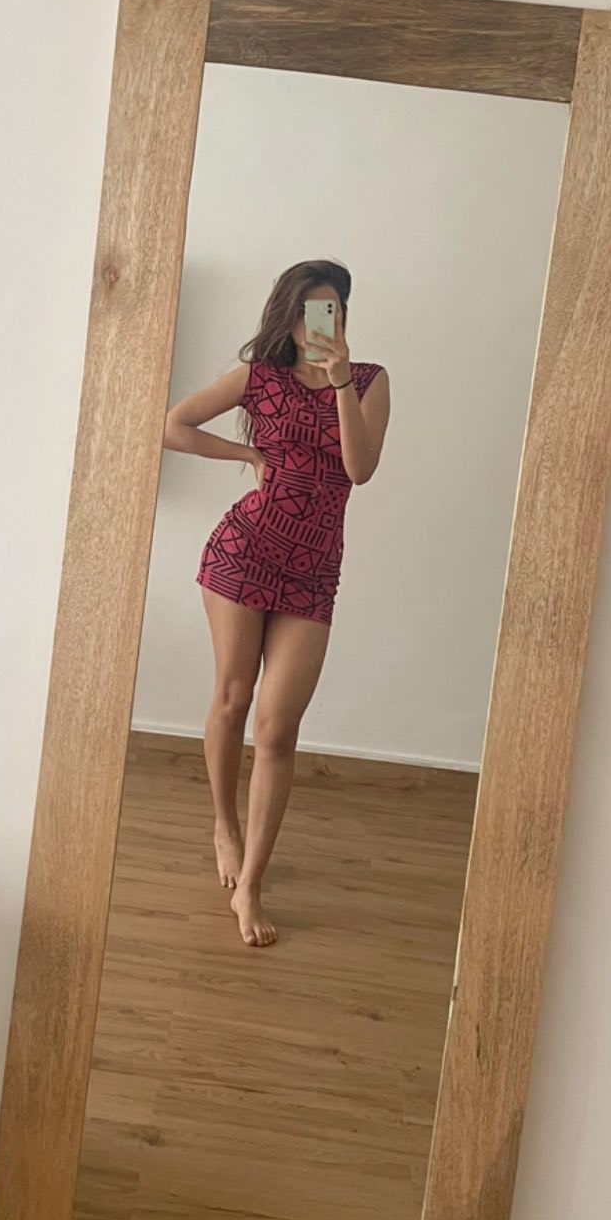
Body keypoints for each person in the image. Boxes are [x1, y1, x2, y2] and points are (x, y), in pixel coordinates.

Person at [163, 259, 390, 948]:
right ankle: (224, 826)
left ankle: (252, 885)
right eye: (308, 310)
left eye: (332, 309)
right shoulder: (258, 378)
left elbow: (359, 470)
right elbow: (174, 425)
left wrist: (340, 380)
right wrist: (252, 460)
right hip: (245, 551)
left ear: (343, 316)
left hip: (313, 571)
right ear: (287, 317)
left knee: (279, 728)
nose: (320, 322)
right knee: (233, 698)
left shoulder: (370, 381)